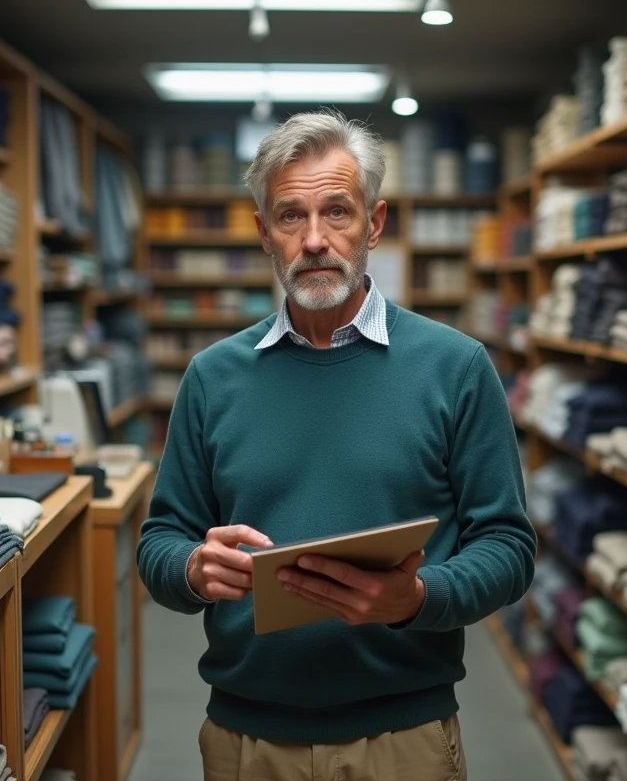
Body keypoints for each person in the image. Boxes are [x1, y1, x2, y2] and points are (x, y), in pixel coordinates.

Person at [138, 110, 535, 781]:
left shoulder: (456, 368)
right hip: (246, 740)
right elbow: (160, 542)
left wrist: (418, 598)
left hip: (402, 738)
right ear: (265, 234)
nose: (316, 239)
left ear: (374, 224)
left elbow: (508, 547)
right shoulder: (212, 377)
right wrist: (192, 571)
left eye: (337, 213)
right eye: (291, 217)